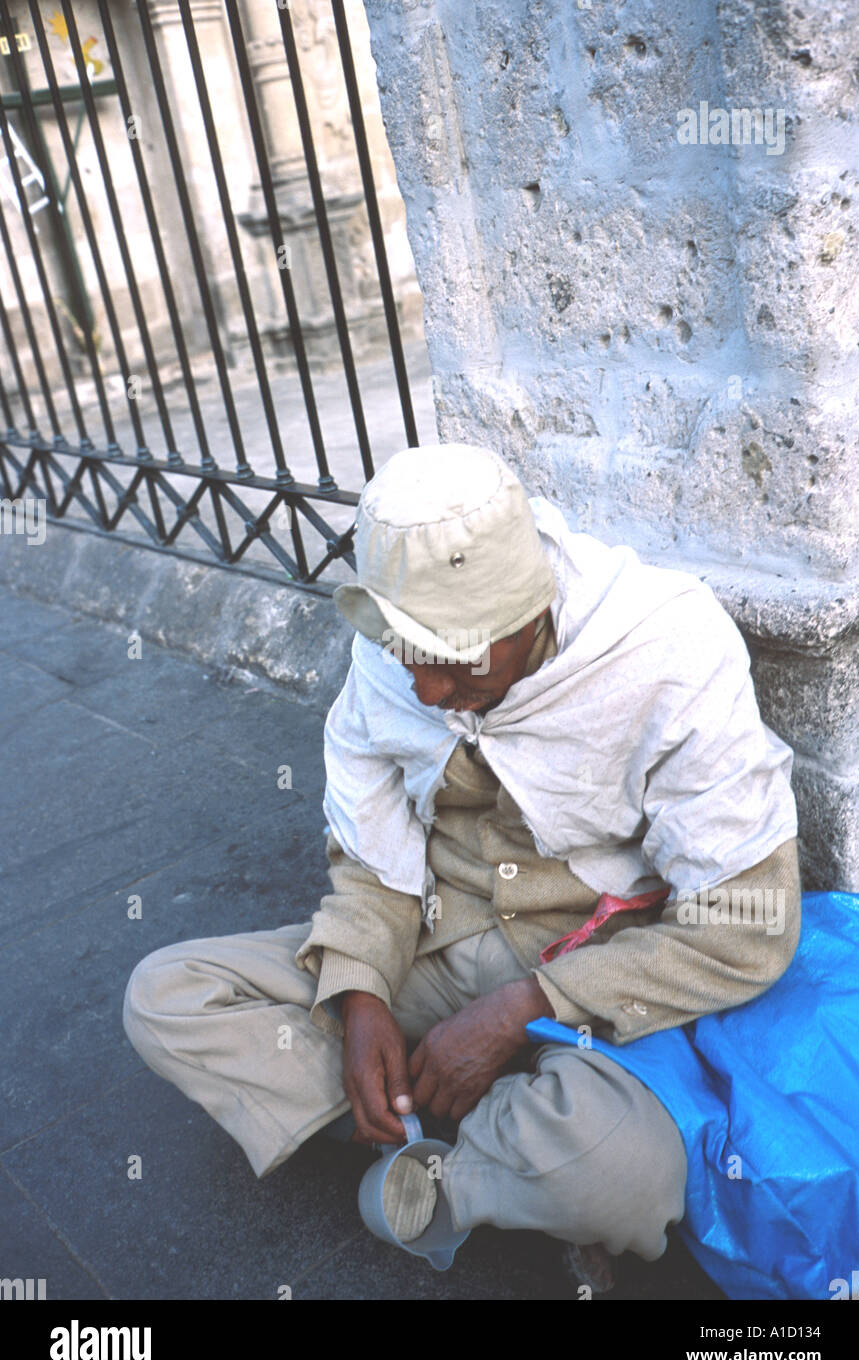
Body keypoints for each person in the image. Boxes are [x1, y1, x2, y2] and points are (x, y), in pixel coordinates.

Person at [123, 442, 801, 1282]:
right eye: (411, 655)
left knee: (621, 1174)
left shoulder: (667, 649)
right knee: (169, 997)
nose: (429, 694)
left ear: (531, 614)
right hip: (436, 947)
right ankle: (476, 1136)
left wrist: (524, 1009)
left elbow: (747, 928)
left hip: (595, 985)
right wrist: (362, 989)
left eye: (457, 661)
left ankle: (435, 1162)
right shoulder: (397, 647)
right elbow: (373, 856)